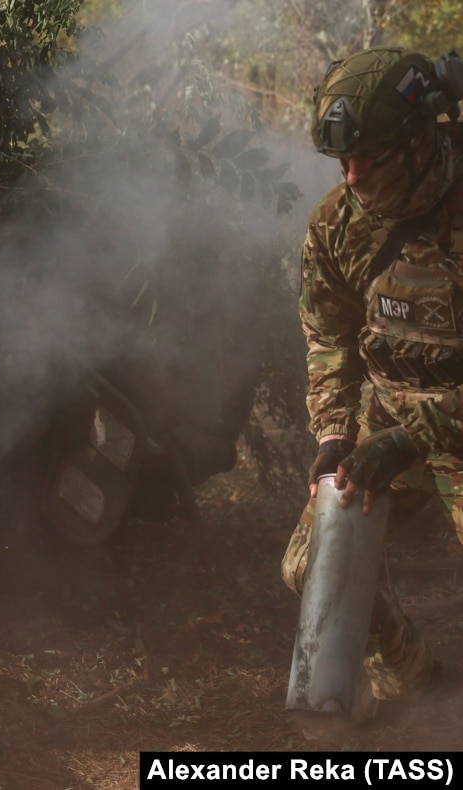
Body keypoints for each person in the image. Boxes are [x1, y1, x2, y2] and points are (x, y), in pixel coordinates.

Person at [282, 46, 463, 719]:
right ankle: (409, 672)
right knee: (308, 569)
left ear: (417, 144)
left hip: (441, 432)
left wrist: (410, 439)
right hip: (387, 427)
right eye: (340, 162)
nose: (350, 176)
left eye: (367, 158)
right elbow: (328, 335)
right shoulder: (338, 225)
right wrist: (333, 435)